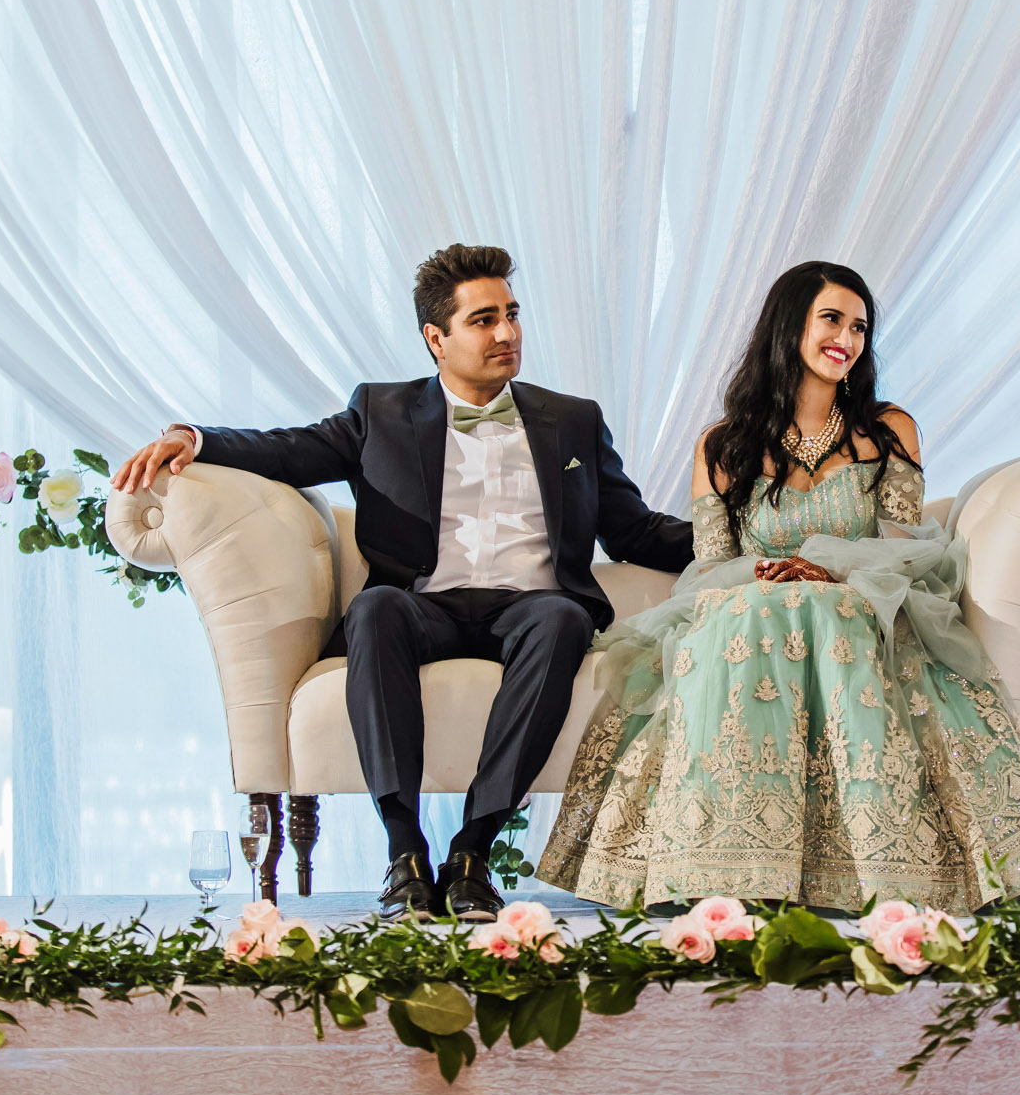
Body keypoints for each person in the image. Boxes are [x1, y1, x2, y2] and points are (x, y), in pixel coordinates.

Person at [112, 244, 691, 921]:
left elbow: (633, 532)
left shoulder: (572, 420)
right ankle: (405, 853)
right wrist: (195, 438)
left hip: (532, 609)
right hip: (424, 607)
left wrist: (748, 533)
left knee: (563, 618)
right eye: (483, 320)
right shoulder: (380, 412)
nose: (506, 334)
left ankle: (473, 853)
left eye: (511, 315)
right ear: (435, 338)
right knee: (375, 609)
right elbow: (288, 449)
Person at [537, 261, 1020, 912]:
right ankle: (730, 864)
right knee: (753, 610)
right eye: (832, 319)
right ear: (790, 327)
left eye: (861, 326)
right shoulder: (722, 445)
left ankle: (864, 868)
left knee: (824, 606)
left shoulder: (887, 430)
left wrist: (833, 569)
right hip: (749, 611)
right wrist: (772, 576)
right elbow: (712, 563)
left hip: (862, 605)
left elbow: (906, 547)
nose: (848, 338)